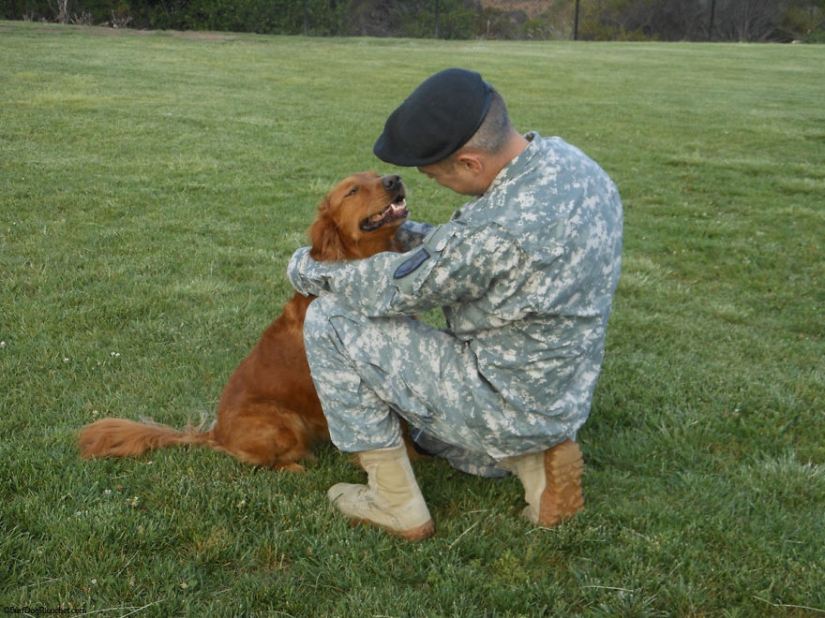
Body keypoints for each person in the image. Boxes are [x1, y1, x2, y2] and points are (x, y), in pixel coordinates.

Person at [288, 68, 623, 541]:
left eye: (434, 175)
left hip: (502, 400)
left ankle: (395, 503)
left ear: (469, 163)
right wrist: (400, 230)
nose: (433, 183)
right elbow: (460, 252)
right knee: (425, 433)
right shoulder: (575, 166)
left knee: (329, 318)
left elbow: (397, 287)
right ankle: (535, 463)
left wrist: (306, 267)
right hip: (559, 397)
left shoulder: (494, 230)